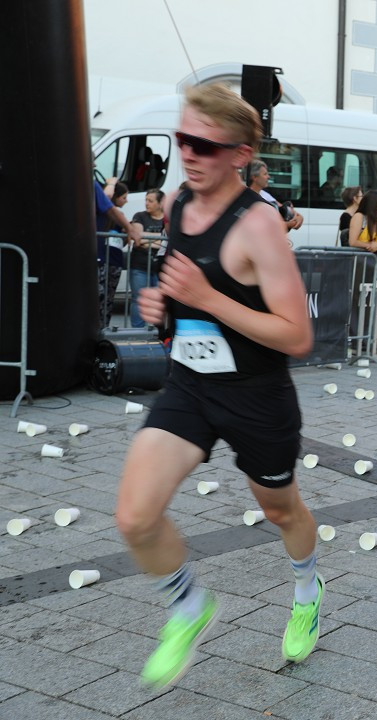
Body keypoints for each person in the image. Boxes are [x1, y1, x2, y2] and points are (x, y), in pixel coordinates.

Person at [115, 83, 320, 690]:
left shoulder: (258, 226)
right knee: (134, 517)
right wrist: (166, 308)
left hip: (257, 394)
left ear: (241, 153)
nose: (188, 153)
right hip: (190, 386)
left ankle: (307, 589)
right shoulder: (178, 203)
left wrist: (205, 297)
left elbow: (297, 335)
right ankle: (188, 607)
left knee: (280, 509)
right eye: (181, 139)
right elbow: (186, 294)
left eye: (204, 144)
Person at [96, 180, 141, 329]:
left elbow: (123, 242)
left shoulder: (120, 218)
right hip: (103, 260)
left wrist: (127, 232)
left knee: (108, 299)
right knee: (101, 297)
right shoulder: (107, 212)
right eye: (124, 197)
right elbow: (107, 197)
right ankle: (98, 328)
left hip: (115, 262)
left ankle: (104, 328)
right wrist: (111, 183)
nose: (126, 201)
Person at [129, 188, 167, 328]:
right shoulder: (139, 216)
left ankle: (159, 333)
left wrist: (147, 239)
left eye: (150, 200)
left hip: (160, 268)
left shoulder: (167, 218)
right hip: (140, 266)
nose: (146, 203)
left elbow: (167, 240)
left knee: (161, 301)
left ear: (160, 203)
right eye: (146, 200)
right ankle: (136, 332)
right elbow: (137, 238)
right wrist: (161, 240)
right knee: (137, 299)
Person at [247, 160, 304, 232]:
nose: (268, 177)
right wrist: (291, 223)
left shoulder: (264, 194)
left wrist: (299, 217)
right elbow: (268, 227)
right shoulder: (248, 198)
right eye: (265, 174)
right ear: (254, 177)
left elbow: (285, 209)